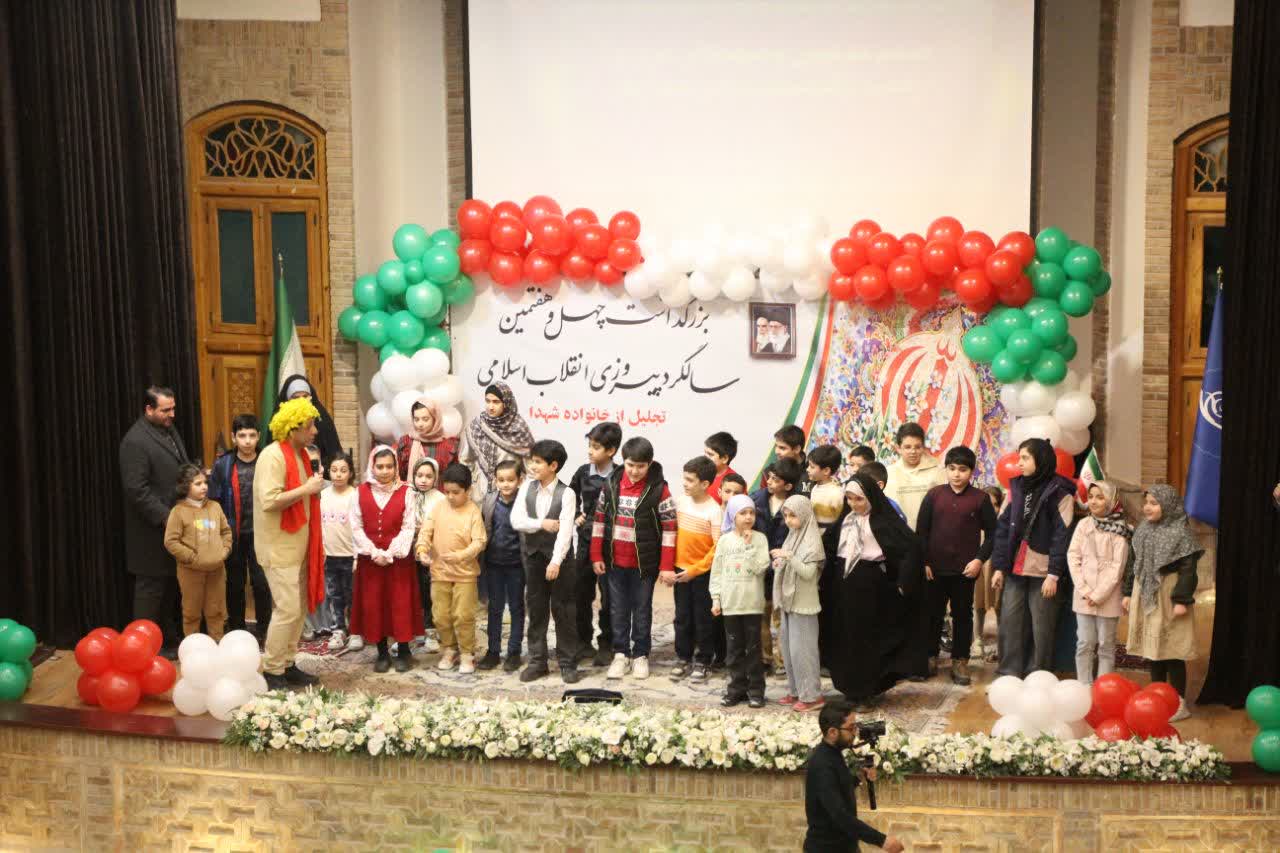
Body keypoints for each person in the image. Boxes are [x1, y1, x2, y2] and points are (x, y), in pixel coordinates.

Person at [833, 473, 928, 701]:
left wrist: (904, 582)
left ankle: (866, 691)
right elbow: (830, 547)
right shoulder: (846, 520)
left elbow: (911, 547)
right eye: (849, 499)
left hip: (871, 583)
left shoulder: (884, 521)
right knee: (847, 636)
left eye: (859, 499)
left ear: (871, 497)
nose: (853, 504)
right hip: (844, 584)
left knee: (867, 638)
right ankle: (851, 688)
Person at [253, 398, 326, 689]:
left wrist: (312, 488)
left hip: (301, 545)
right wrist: (306, 488)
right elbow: (269, 501)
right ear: (292, 429)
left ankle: (287, 662)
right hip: (278, 547)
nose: (315, 431)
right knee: (288, 610)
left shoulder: (303, 454)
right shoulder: (272, 456)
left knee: (299, 609)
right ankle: (272, 670)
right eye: (309, 426)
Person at [591, 436, 677, 681]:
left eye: (641, 466)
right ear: (623, 461)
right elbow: (599, 520)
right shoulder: (610, 485)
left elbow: (670, 528)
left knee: (641, 610)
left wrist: (666, 565)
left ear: (650, 464)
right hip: (614, 562)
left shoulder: (660, 490)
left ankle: (640, 654)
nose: (635, 471)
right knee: (617, 609)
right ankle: (621, 654)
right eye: (630, 465)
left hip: (644, 565)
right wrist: (596, 554)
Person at [990, 438, 1075, 678]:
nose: (1019, 463)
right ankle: (1009, 673)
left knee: (1042, 626)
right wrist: (999, 567)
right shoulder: (1015, 488)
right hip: (1015, 567)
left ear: (1042, 460)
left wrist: (1054, 574)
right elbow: (1002, 529)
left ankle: (1038, 675)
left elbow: (1061, 536)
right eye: (1019, 458)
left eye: (1025, 458)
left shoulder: (1060, 492)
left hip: (1044, 571)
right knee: (1010, 621)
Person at [915, 446, 998, 686]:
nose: (956, 474)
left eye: (962, 469)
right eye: (952, 469)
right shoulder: (934, 495)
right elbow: (921, 532)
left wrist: (979, 560)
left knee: (962, 615)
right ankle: (929, 657)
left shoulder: (980, 499)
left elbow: (993, 535)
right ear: (946, 469)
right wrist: (925, 561)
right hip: (934, 569)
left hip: (965, 570)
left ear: (971, 471)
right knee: (932, 614)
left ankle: (960, 660)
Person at [119, 385, 192, 655]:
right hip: (150, 531)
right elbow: (136, 489)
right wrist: (166, 517)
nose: (172, 414)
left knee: (170, 585)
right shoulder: (135, 441)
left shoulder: (168, 429)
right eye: (165, 410)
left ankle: (167, 640)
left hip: (174, 527)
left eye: (173, 408)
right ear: (148, 409)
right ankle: (141, 648)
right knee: (151, 589)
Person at [1122, 484, 1202, 721]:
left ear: (1168, 505)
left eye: (1154, 503)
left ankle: (1178, 703)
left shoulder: (1181, 533)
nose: (1147, 507)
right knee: (1152, 651)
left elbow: (1188, 570)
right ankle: (1156, 697)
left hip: (1169, 594)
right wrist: (1128, 593)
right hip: (1145, 592)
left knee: (1172, 651)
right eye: (1146, 503)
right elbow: (1133, 564)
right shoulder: (1142, 530)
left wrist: (1181, 599)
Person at [510, 439, 581, 683]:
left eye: (538, 462)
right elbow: (517, 520)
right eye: (532, 461)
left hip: (560, 561)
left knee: (564, 611)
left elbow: (566, 531)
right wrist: (541, 523)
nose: (532, 466)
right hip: (533, 558)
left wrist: (556, 561)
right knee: (536, 611)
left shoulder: (567, 493)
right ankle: (537, 662)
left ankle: (568, 663)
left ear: (553, 465)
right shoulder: (526, 488)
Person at [350, 446, 421, 673]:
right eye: (379, 466)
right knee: (375, 606)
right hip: (370, 562)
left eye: (389, 466)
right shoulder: (359, 492)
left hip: (398, 561)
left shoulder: (406, 492)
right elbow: (356, 526)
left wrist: (389, 553)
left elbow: (409, 526)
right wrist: (374, 552)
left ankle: (404, 651)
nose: (384, 471)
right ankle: (381, 652)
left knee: (400, 605)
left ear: (396, 467)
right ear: (372, 466)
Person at [415, 463, 487, 674]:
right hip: (439, 572)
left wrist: (460, 556)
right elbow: (425, 532)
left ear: (468, 490)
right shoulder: (438, 507)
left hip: (465, 574)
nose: (450, 496)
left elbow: (480, 541)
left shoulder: (473, 511)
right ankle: (449, 649)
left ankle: (467, 653)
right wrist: (422, 550)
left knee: (463, 615)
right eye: (447, 492)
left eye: (456, 492)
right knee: (440, 615)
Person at [804, 701, 904, 853]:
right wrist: (882, 841)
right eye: (851, 728)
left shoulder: (833, 753)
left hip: (844, 846)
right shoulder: (822, 765)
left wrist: (859, 778)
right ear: (832, 732)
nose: (855, 733)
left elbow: (838, 787)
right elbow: (840, 815)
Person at [209, 413, 273, 641]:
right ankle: (236, 630)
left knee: (262, 584)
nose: (247, 441)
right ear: (233, 437)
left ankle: (265, 630)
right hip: (232, 535)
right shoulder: (223, 464)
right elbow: (213, 501)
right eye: (242, 435)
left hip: (262, 534)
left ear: (259, 437)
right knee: (234, 585)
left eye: (252, 435)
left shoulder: (268, 461)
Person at [709, 494, 770, 708]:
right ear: (732, 516)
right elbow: (717, 572)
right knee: (734, 650)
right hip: (731, 605)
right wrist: (716, 599)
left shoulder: (760, 539)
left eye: (752, 512)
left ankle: (756, 691)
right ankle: (736, 690)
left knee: (753, 650)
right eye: (743, 513)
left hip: (752, 604)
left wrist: (748, 546)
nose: (748, 517)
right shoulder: (724, 540)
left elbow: (760, 568)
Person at [666, 457, 723, 682]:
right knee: (682, 617)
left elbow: (717, 548)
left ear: (705, 484)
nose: (685, 483)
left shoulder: (714, 511)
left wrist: (696, 570)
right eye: (684, 478)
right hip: (680, 572)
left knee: (703, 619)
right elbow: (670, 535)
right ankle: (683, 657)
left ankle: (703, 660)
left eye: (690, 480)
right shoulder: (680, 502)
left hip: (701, 575)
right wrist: (669, 567)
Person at [1067, 481, 1131, 684]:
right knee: (1084, 643)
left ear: (1111, 501)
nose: (1093, 501)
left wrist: (1098, 595)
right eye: (1091, 497)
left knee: (1106, 644)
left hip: (1109, 596)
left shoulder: (1121, 529)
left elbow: (1117, 567)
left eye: (1100, 497)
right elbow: (1073, 556)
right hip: (1083, 595)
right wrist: (1085, 590)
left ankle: (1104, 688)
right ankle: (1084, 686)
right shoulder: (1083, 525)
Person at [569, 422, 620, 667]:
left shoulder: (620, 474)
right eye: (589, 445)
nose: (590, 450)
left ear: (611, 451)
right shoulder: (582, 472)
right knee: (581, 594)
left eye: (596, 447)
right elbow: (568, 496)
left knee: (609, 597)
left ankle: (607, 644)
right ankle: (583, 642)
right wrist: (575, 515)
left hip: (610, 544)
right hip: (586, 543)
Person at [163, 464, 232, 641]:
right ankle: (192, 648)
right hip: (190, 572)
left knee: (216, 611)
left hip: (217, 570)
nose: (204, 487)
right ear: (185, 486)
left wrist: (223, 552)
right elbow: (171, 541)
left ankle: (217, 645)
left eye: (205, 482)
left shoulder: (215, 507)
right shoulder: (178, 512)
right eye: (198, 483)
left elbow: (226, 532)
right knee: (191, 613)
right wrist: (192, 558)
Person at [773, 495, 825, 712]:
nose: (788, 520)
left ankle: (812, 696)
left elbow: (808, 573)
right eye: (785, 515)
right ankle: (796, 691)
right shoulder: (793, 535)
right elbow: (789, 563)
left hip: (804, 604)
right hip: (789, 601)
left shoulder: (812, 541)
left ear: (804, 515)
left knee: (803, 652)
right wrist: (780, 562)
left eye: (792, 516)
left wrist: (788, 557)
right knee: (789, 650)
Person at [753, 458, 803, 675]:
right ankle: (764, 659)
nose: (770, 482)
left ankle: (783, 661)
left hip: (784, 570)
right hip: (760, 568)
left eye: (776, 480)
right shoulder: (756, 499)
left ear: (788, 485)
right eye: (770, 478)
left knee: (781, 618)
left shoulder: (798, 505)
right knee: (761, 615)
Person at [479, 459, 526, 672]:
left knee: (516, 607)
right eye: (501, 480)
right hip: (493, 564)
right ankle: (493, 651)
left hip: (517, 565)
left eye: (510, 480)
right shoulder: (489, 501)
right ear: (495, 481)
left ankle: (514, 652)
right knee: (495, 608)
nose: (505, 484)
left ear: (520, 480)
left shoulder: (525, 502)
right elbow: (484, 529)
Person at [808, 446, 847, 672]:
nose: (808, 470)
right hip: (813, 548)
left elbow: (840, 526)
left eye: (812, 467)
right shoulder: (813, 488)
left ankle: (828, 658)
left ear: (827, 471)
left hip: (829, 551)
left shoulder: (837, 493)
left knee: (828, 604)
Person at [460, 381, 534, 496]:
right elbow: (466, 461)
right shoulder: (477, 426)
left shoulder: (518, 428)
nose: (490, 407)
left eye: (496, 402)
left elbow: (531, 468)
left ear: (506, 403)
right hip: (482, 493)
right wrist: (471, 485)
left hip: (513, 494)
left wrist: (526, 494)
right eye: (487, 401)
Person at [321, 453, 358, 651]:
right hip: (329, 555)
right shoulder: (323, 495)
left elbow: (360, 528)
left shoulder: (355, 495)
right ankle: (338, 630)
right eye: (334, 470)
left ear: (350, 473)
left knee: (352, 594)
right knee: (334, 595)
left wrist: (358, 556)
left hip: (350, 556)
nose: (338, 474)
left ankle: (355, 630)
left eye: (343, 470)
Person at [409, 457, 445, 652]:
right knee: (412, 592)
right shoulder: (407, 495)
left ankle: (431, 630)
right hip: (407, 553)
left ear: (435, 478)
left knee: (430, 592)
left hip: (430, 553)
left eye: (428, 476)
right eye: (419, 475)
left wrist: (425, 528)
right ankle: (414, 629)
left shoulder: (440, 499)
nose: (423, 480)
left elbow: (443, 524)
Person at [882, 422, 945, 530]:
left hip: (929, 534)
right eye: (907, 447)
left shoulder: (937, 472)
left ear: (923, 447)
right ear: (898, 448)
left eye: (917, 447)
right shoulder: (888, 474)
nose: (913, 451)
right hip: (898, 535)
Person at [277, 374, 342, 462]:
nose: (301, 401)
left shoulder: (321, 417)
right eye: (296, 397)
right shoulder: (280, 422)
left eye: (305, 397)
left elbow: (334, 454)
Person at [973, 486, 1005, 662]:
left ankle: (1002, 647)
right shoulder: (974, 522)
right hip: (979, 566)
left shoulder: (1004, 523)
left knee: (1000, 606)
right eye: (988, 505)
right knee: (978, 605)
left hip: (998, 567)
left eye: (995, 505)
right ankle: (977, 642)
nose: (992, 509)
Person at [394, 398, 459, 482]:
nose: (420, 424)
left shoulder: (448, 446)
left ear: (435, 419)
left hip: (439, 490)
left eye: (425, 419)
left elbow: (454, 479)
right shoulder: (406, 442)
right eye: (416, 419)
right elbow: (399, 474)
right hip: (409, 489)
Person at [703, 431, 739, 504]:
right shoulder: (700, 473)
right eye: (705, 453)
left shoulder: (735, 483)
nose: (705, 457)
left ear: (724, 459)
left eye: (710, 454)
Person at [774, 425, 811, 495]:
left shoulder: (812, 473)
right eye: (776, 446)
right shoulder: (769, 471)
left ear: (797, 449)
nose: (776, 451)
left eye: (782, 448)